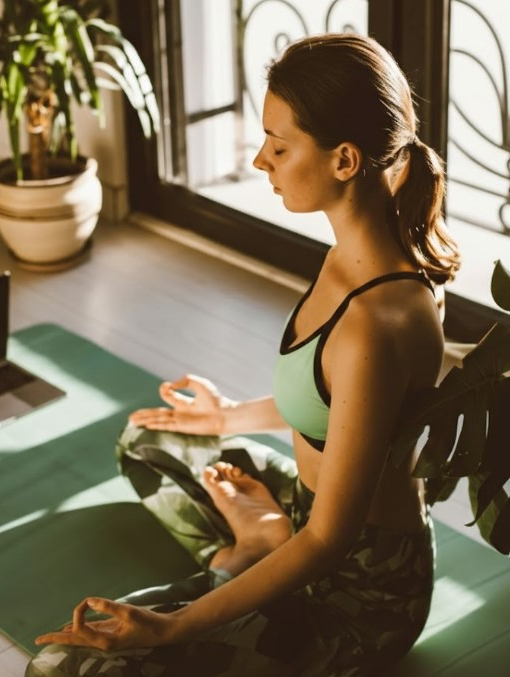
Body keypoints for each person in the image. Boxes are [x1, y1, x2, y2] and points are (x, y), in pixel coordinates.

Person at [27, 32, 460, 676]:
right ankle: (258, 538)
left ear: (344, 160)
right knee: (148, 441)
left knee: (64, 665)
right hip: (306, 515)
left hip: (353, 596)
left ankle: (246, 552)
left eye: (280, 146)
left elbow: (328, 542)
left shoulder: (380, 316)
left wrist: (172, 627)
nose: (261, 160)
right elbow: (335, 407)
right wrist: (225, 418)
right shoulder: (359, 246)